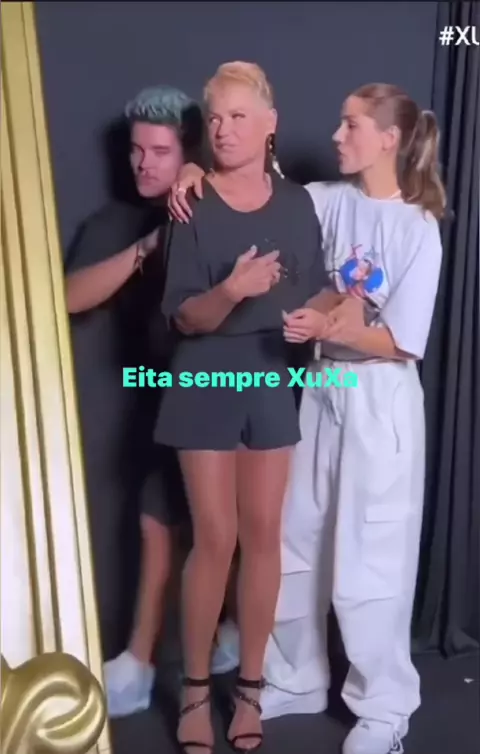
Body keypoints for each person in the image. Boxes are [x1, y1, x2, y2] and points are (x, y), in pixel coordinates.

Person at [168, 82, 445, 754]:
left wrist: (330, 325)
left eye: (351, 126)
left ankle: (383, 707)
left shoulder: (418, 228)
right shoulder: (326, 201)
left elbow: (405, 340)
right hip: (320, 387)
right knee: (295, 536)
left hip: (379, 395)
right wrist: (194, 168)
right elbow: (256, 183)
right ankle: (296, 676)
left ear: (388, 139)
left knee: (372, 552)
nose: (335, 136)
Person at [155, 61, 346, 754]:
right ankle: (194, 691)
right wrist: (233, 290)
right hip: (205, 375)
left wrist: (324, 315)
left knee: (265, 536)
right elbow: (184, 318)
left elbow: (320, 288)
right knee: (216, 537)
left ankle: (253, 690)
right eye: (214, 118)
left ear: (269, 124)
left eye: (238, 116)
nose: (224, 129)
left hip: (269, 377)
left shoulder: (296, 204)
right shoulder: (190, 202)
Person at [64, 85, 203, 717]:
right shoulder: (115, 223)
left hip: (221, 390)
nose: (144, 163)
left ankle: (198, 650)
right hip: (148, 398)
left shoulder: (215, 207)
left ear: (187, 154)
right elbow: (69, 296)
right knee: (158, 514)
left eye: (160, 151)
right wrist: (146, 250)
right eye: (136, 150)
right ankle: (140, 664)